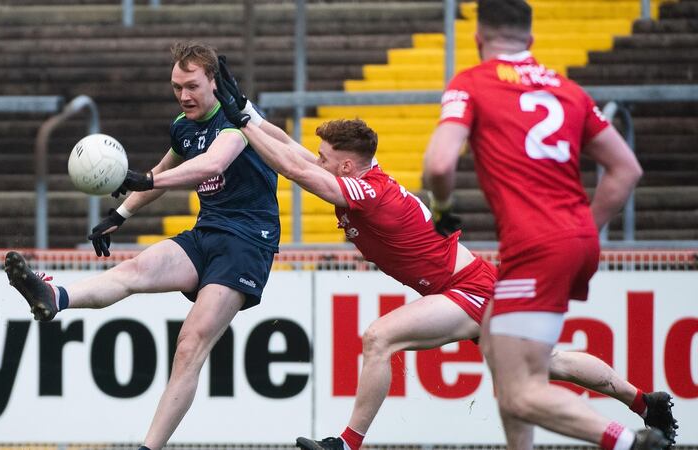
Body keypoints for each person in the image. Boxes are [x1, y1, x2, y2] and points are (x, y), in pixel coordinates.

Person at [211, 61, 677, 450]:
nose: (318, 160)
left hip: (467, 289)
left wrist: (243, 124)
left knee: (379, 338)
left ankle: (347, 444)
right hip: (474, 284)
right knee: (548, 364)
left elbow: (294, 167)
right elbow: (296, 153)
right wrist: (247, 111)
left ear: (347, 165)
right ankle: (644, 402)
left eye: (325, 156)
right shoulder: (359, 177)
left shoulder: (367, 193)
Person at [422, 1, 677, 450]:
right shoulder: (568, 89)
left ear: (479, 39)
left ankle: (630, 443)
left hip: (536, 247)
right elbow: (626, 170)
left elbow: (440, 164)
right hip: (574, 240)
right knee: (496, 346)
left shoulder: (472, 83)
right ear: (532, 41)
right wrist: (585, 227)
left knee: (522, 391)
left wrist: (442, 208)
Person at [4, 41, 280, 450]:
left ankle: (148, 447)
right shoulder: (183, 127)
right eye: (176, 87)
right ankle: (55, 295)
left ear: (214, 82)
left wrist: (146, 180)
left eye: (192, 86)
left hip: (246, 245)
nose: (184, 96)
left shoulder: (237, 121)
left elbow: (210, 165)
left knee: (190, 343)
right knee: (132, 271)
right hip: (207, 233)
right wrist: (120, 215)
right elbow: (162, 171)